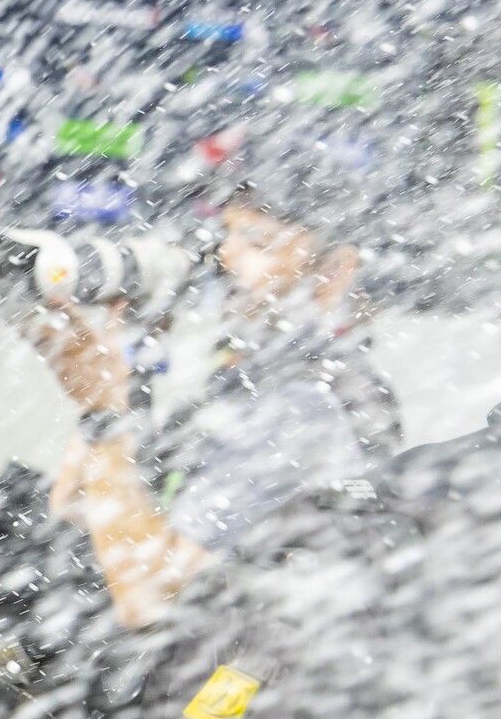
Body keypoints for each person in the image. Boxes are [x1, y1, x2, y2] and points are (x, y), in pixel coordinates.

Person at [23, 191, 395, 628]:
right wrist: (118, 378)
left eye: (257, 242)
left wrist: (105, 415)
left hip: (245, 658)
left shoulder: (305, 403)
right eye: (226, 235)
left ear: (333, 272)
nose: (225, 256)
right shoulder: (250, 380)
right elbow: (74, 505)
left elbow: (149, 598)